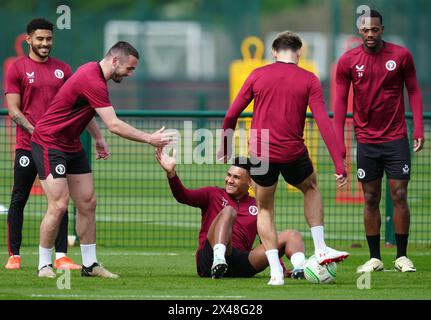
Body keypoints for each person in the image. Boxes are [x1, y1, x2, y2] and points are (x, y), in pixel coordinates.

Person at [30, 41, 175, 278]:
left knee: (88, 203)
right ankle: (44, 265)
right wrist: (150, 139)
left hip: (71, 144)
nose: (130, 74)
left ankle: (90, 265)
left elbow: (83, 110)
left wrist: (98, 138)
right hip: (49, 142)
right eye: (129, 69)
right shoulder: (92, 79)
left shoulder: (93, 74)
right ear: (115, 61)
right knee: (58, 205)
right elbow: (115, 125)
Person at [218, 31, 349, 286]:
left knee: (265, 208)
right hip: (292, 151)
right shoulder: (309, 79)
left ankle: (276, 271)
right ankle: (320, 247)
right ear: (299, 52)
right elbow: (323, 122)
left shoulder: (257, 74)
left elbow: (232, 113)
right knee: (310, 187)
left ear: (275, 52)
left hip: (260, 151)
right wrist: (339, 162)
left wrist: (224, 143)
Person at [334, 9, 424, 273]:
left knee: (399, 194)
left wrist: (418, 128)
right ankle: (374, 258)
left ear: (382, 29)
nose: (370, 34)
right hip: (366, 141)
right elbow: (339, 103)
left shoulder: (401, 56)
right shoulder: (348, 61)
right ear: (359, 31)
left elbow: (414, 90)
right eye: (365, 30)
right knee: (370, 198)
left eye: (375, 30)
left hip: (396, 138)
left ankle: (402, 256)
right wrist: (339, 143)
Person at [156, 149, 307, 280]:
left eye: (236, 177)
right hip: (209, 258)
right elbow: (183, 196)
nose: (230, 180)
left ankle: (301, 268)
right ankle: (219, 259)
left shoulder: (257, 204)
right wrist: (172, 174)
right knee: (229, 211)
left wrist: (278, 266)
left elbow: (267, 238)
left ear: (249, 182)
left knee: (291, 234)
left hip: (240, 261)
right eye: (229, 175)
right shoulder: (213, 193)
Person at [4, 18, 80, 270]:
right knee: (19, 198)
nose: (45, 43)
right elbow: (14, 110)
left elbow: (76, 105)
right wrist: (36, 131)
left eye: (48, 39)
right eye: (40, 39)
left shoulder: (63, 69)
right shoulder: (17, 68)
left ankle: (61, 257)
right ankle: (14, 254)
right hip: (27, 145)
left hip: (55, 148)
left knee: (60, 199)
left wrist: (97, 135)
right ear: (29, 40)